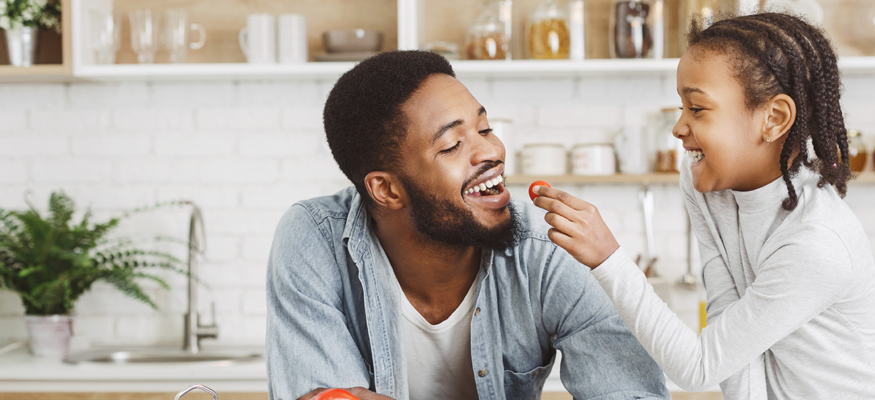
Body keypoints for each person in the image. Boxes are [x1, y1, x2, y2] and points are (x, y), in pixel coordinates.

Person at [532, 13, 875, 400]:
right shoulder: (708, 186)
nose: (679, 127)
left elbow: (698, 366)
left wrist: (608, 258)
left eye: (697, 108)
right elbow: (727, 327)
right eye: (681, 106)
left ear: (773, 118)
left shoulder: (817, 241)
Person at [265, 50, 670, 400]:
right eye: (452, 145)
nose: (491, 151)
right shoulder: (315, 239)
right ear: (386, 190)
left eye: (485, 128)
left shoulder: (551, 248)